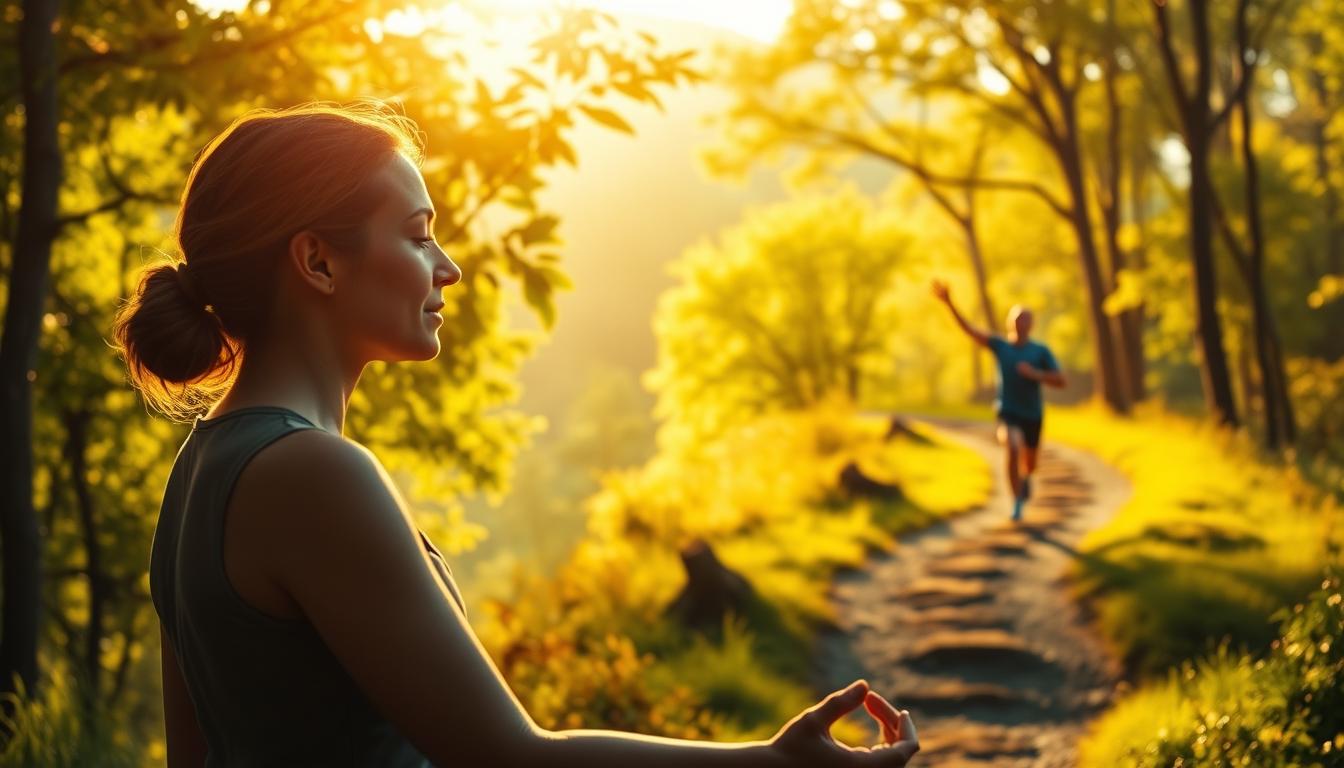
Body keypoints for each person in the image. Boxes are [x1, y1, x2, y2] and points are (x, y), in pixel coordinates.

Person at [112, 102, 920, 767]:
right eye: (419, 232)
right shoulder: (313, 474)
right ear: (318, 263)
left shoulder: (200, 474)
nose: (448, 266)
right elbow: (507, 758)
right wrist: (773, 764)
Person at [930, 279, 1066, 521]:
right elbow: (970, 331)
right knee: (1012, 447)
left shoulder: (1040, 352)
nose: (1020, 323)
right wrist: (950, 303)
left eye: (1025, 319)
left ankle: (1025, 480)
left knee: (1031, 464)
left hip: (1033, 415)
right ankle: (1016, 503)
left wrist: (1035, 374)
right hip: (1008, 411)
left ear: (1031, 324)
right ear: (1009, 322)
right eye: (1016, 318)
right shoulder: (1000, 346)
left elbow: (1061, 380)